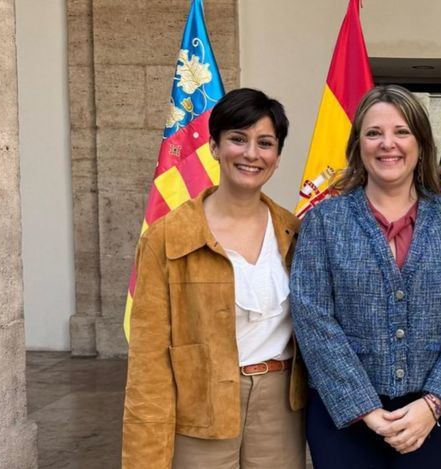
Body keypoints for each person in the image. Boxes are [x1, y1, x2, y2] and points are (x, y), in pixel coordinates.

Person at [290, 85, 441, 469]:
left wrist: (433, 403)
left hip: (430, 420)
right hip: (341, 419)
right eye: (374, 133)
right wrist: (365, 409)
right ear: (358, 144)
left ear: (422, 144)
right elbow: (313, 319)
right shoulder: (325, 221)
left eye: (401, 132)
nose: (387, 144)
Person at [121, 88, 306, 469]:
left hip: (280, 407)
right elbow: (148, 363)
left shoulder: (295, 232)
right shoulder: (168, 237)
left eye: (265, 143)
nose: (251, 153)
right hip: (199, 406)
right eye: (237, 139)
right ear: (214, 147)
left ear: (277, 157)